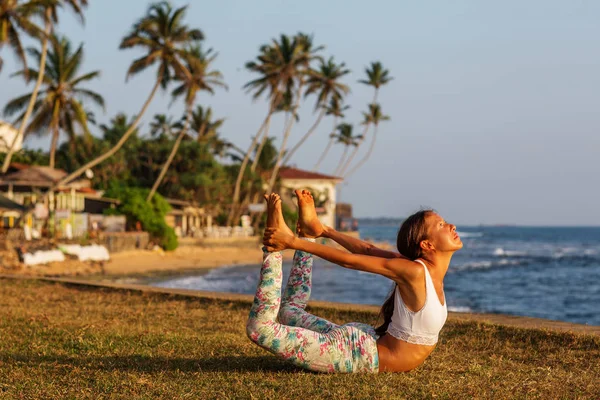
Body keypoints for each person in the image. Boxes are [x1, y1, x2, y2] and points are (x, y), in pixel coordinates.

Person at [246, 190, 462, 373]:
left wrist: (324, 231)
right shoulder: (414, 271)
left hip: (365, 340)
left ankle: (308, 233)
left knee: (289, 312)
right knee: (260, 329)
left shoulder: (419, 271)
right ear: (427, 245)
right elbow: (351, 261)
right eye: (441, 224)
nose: (451, 225)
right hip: (359, 353)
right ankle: (275, 247)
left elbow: (368, 250)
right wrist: (291, 242)